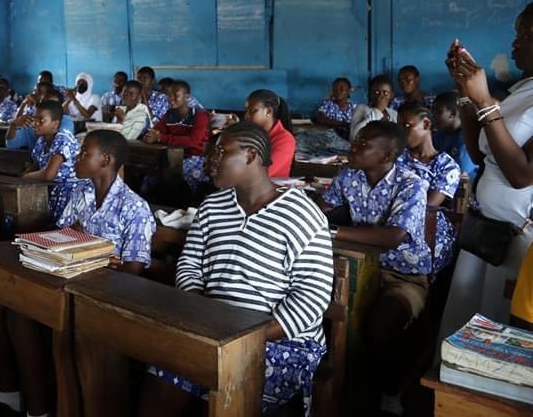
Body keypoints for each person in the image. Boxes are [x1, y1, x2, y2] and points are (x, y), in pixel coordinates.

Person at [139, 122, 333, 415]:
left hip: (282, 341)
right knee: (160, 388)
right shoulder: (212, 206)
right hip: (211, 330)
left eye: (220, 152)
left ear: (251, 155)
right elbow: (190, 264)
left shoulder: (301, 214)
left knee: (227, 392)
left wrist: (249, 337)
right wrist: (202, 315)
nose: (209, 161)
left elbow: (312, 295)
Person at [0, 130, 156, 417]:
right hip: (64, 279)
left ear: (106, 160)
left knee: (42, 323)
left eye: (84, 153)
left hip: (103, 296)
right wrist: (93, 251)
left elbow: (131, 271)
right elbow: (62, 235)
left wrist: (83, 245)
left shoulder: (134, 208)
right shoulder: (82, 191)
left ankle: (42, 403)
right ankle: (28, 404)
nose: (76, 157)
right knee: (6, 310)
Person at [321, 121, 429, 414]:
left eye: (363, 144)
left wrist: (329, 231)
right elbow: (327, 209)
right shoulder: (348, 176)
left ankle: (390, 392)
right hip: (351, 267)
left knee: (380, 326)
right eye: (356, 140)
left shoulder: (412, 184)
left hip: (401, 275)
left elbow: (393, 236)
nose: (353, 147)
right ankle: (334, 386)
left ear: (386, 156)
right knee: (317, 313)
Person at [438, 11, 533, 343]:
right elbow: (481, 153)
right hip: (485, 232)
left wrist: (484, 101)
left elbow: (522, 175)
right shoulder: (522, 90)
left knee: (496, 339)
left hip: (517, 240)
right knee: (460, 330)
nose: (515, 42)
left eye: (525, 34)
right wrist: (465, 91)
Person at [395, 102, 461, 275]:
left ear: (426, 124)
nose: (401, 132)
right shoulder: (396, 158)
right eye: (399, 126)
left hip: (426, 226)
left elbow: (427, 206)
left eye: (407, 126)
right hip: (391, 220)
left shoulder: (447, 166)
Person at [144, 80, 209, 191]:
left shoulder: (199, 115)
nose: (171, 98)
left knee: (179, 178)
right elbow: (156, 130)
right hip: (172, 156)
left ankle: (189, 204)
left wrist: (160, 137)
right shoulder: (169, 114)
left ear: (187, 97)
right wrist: (150, 135)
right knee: (149, 177)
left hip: (194, 157)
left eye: (176, 95)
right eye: (169, 94)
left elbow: (193, 141)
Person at [22, 100, 80, 220]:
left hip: (71, 196)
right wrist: (22, 175)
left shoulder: (63, 139)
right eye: (35, 119)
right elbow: (36, 165)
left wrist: (26, 177)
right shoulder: (42, 140)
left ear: (55, 123)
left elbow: (48, 174)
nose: (35, 124)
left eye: (41, 120)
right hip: (52, 192)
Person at [244, 89, 295, 178]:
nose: (246, 115)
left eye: (252, 110)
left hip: (271, 190)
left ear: (268, 111)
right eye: (246, 110)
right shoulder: (250, 133)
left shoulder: (285, 140)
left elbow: (262, 173)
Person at [5, 88, 74, 150]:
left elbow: (59, 144)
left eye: (52, 105)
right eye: (44, 103)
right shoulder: (32, 121)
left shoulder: (66, 121)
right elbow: (11, 144)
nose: (46, 108)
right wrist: (13, 125)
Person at [431, 91, 479, 181]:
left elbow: (462, 169)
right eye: (433, 111)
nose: (434, 116)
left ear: (452, 114)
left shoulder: (467, 137)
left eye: (438, 112)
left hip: (466, 184)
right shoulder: (440, 134)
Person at [350, 75, 397, 141]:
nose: (381, 96)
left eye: (385, 93)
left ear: (391, 95)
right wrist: (378, 110)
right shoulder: (362, 109)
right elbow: (353, 137)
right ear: (370, 94)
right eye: (376, 92)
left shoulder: (393, 114)